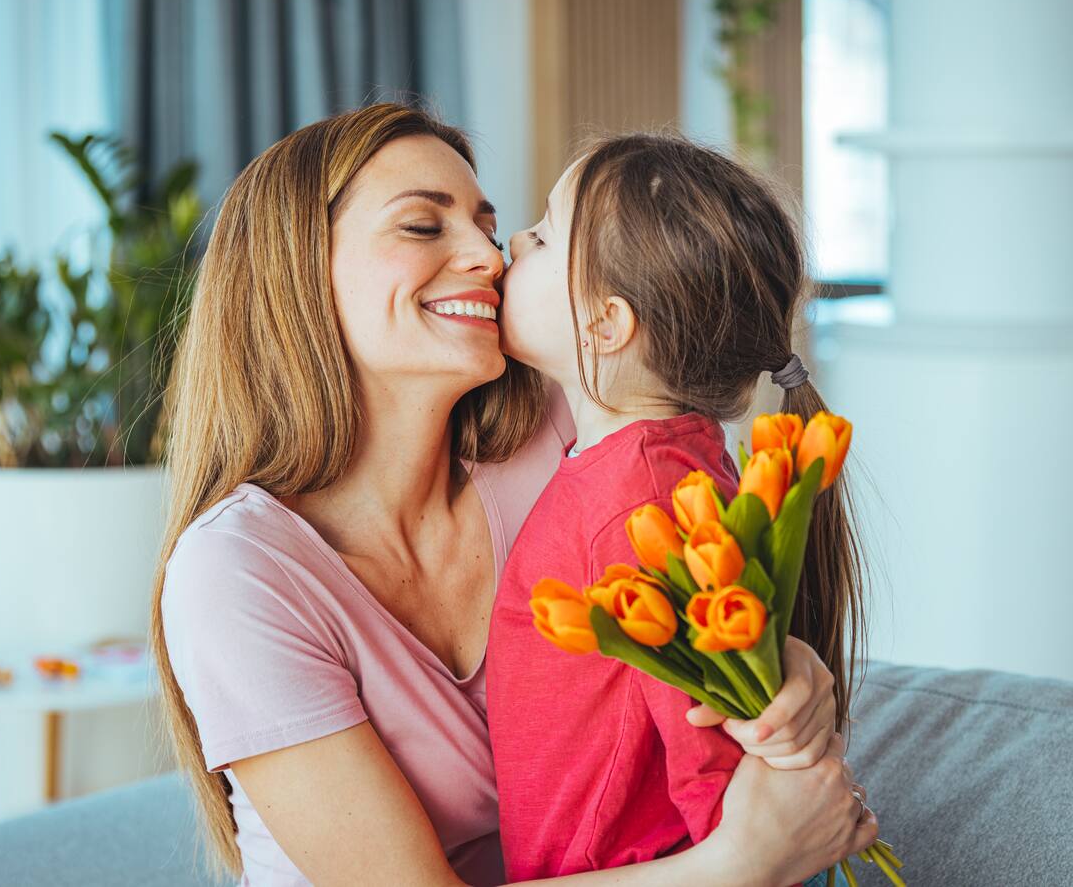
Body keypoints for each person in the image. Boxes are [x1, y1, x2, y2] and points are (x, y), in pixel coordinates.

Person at [154, 104, 877, 886]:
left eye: (489, 226)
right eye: (423, 227)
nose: (489, 257)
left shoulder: (567, 438)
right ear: (295, 273)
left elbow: (694, 581)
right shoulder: (237, 572)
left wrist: (784, 669)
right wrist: (743, 862)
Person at [486, 134, 868, 887]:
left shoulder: (642, 504)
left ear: (604, 324)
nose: (513, 242)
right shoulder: (653, 465)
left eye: (543, 235)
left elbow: (713, 754)